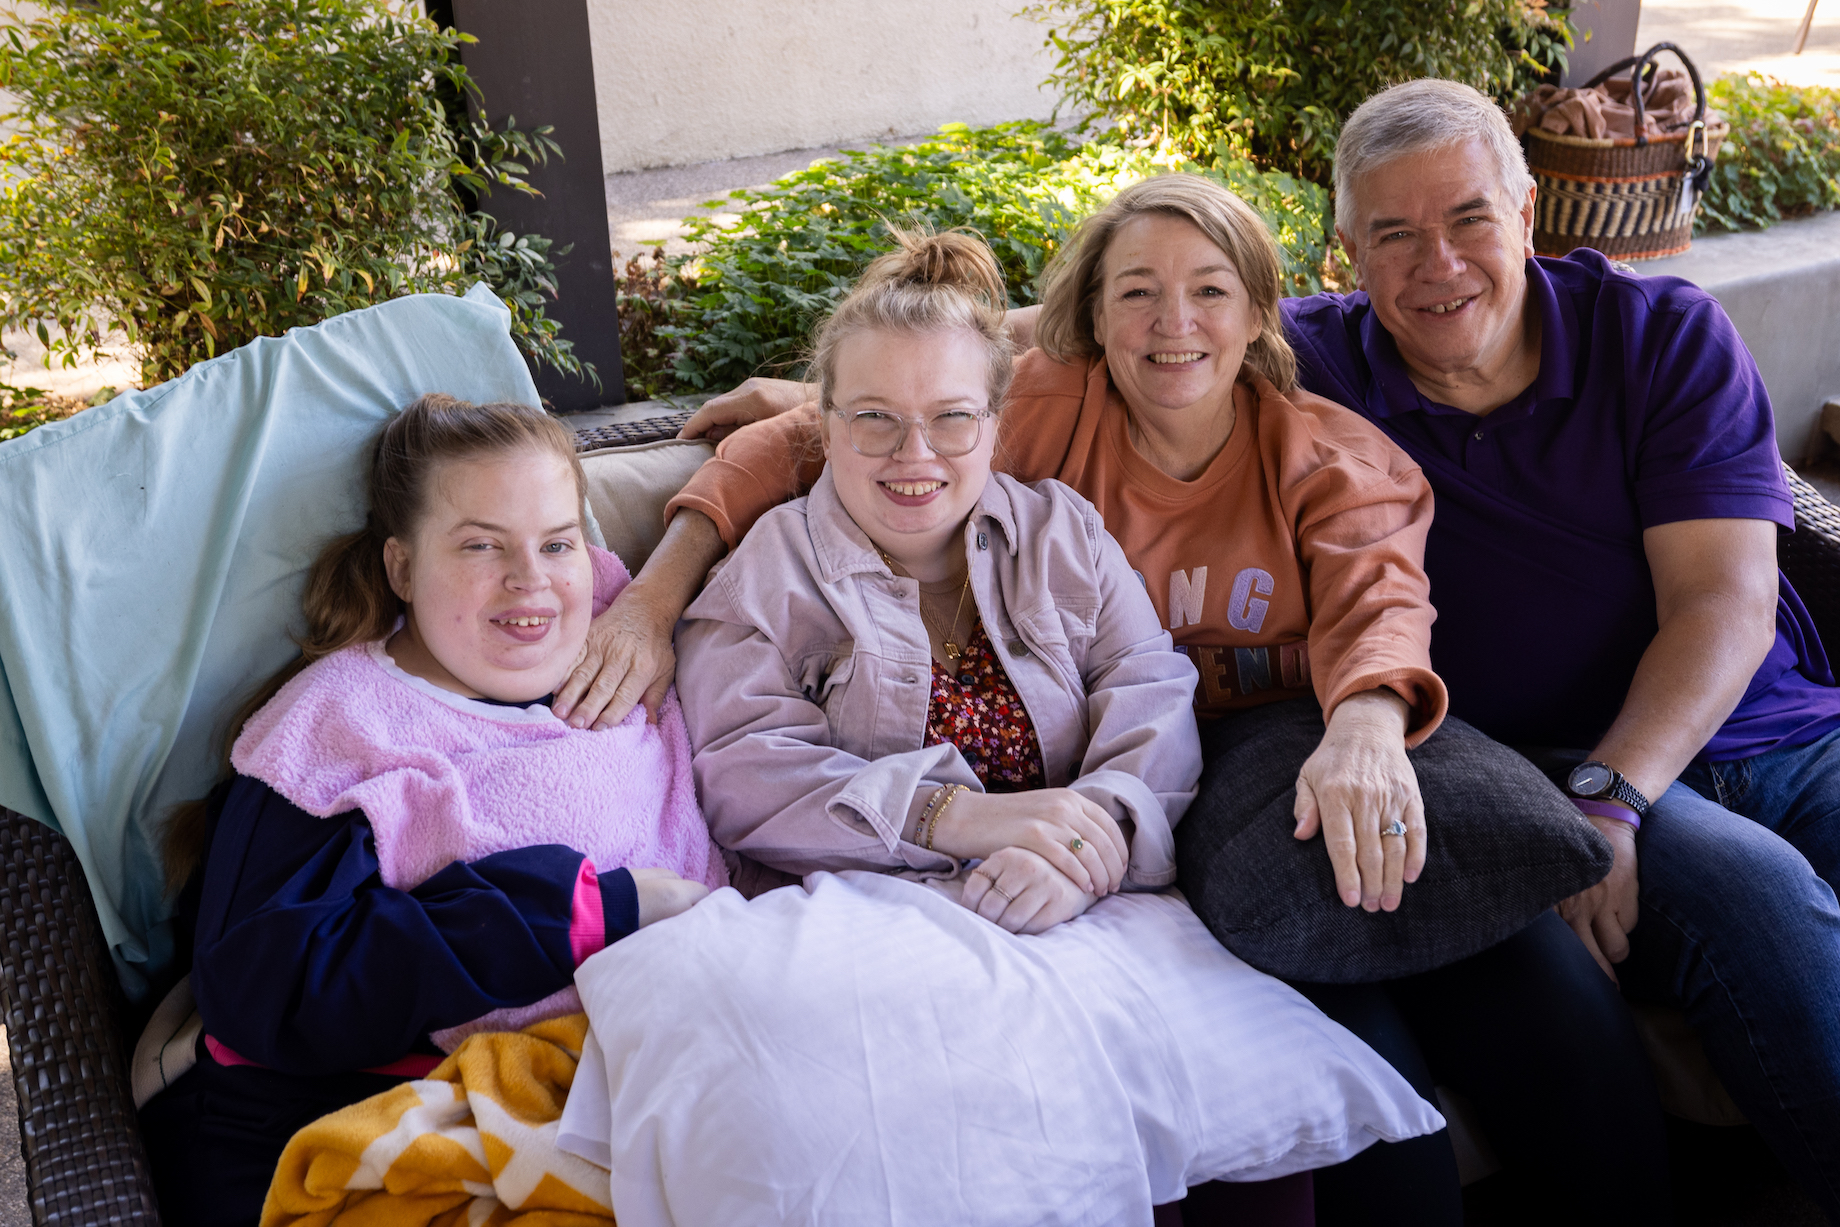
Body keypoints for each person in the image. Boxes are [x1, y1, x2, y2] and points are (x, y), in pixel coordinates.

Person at [558, 182, 1671, 1222]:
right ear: (1086, 322)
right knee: (1343, 1052)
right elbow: (748, 759)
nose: (1171, 322)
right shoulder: (818, 542)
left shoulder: (1075, 521)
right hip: (929, 894)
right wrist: (662, 592)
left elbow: (1180, 683)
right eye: (1136, 292)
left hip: (1196, 814)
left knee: (1445, 1042)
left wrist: (1134, 824)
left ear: (1257, 314)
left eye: (1208, 292)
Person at [670, 226, 1440, 1220]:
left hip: (1088, 907)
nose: (915, 457)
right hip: (885, 933)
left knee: (1268, 1153)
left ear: (998, 420)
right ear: (822, 421)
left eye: (952, 419)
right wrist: (957, 819)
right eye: (874, 420)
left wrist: (1095, 840)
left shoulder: (1061, 534)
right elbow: (738, 769)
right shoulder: (771, 574)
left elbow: (1151, 701)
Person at [1272, 77, 1840, 1219]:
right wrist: (848, 411)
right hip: (1544, 762)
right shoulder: (1306, 368)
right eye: (1394, 233)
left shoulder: (1661, 336)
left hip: (1758, 740)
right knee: (1761, 901)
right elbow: (1088, 331)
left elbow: (1722, 605)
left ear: (1528, 216)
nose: (1439, 263)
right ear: (1345, 255)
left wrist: (1609, 798)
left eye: (1470, 218)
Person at [141, 394, 723, 1226]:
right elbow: (265, 982)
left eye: (557, 543)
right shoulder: (343, 725)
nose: (530, 579)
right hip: (393, 1114)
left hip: (665, 1069)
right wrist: (590, 910)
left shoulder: (621, 642)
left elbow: (853, 442)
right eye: (481, 545)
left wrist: (659, 597)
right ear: (401, 567)